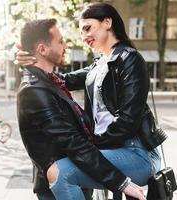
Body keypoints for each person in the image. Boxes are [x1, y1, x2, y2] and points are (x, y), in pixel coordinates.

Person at [16, 3, 164, 200]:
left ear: (107, 23)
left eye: (87, 28)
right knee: (71, 167)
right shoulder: (99, 65)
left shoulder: (129, 59)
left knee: (63, 173)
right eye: (81, 31)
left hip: (135, 151)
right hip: (110, 150)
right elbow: (58, 80)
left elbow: (128, 121)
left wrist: (91, 145)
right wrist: (28, 55)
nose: (84, 36)